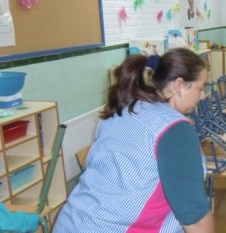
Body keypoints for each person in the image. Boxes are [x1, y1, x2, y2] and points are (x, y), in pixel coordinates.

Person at [54, 48, 214, 233]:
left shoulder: (128, 108)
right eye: (200, 88)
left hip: (72, 222)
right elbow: (196, 220)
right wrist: (179, 131)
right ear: (179, 85)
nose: (202, 95)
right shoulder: (175, 133)